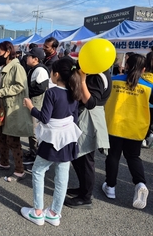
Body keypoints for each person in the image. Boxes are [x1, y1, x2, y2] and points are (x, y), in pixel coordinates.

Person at [21, 58, 82, 226]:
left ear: (56, 74)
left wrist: (30, 107)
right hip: (68, 138)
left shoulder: (52, 93)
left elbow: (45, 118)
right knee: (62, 177)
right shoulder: (75, 91)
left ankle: (38, 212)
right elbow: (75, 117)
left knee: (38, 170)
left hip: (52, 139)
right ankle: (54, 213)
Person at [103, 54, 153, 209]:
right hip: (136, 127)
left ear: (125, 65)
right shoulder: (149, 86)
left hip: (115, 125)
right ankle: (140, 183)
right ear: (144, 69)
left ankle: (110, 187)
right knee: (133, 157)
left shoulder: (114, 80)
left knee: (113, 156)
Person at [64, 67, 112, 209]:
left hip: (88, 118)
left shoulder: (98, 76)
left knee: (85, 158)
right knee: (78, 157)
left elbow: (90, 102)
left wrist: (83, 81)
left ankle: (86, 197)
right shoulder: (101, 73)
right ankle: (83, 189)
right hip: (85, 116)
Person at [0, 41, 33, 181]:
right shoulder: (5, 66)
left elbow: (20, 86)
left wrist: (1, 92)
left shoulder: (17, 67)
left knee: (13, 139)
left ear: (8, 52)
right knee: (1, 136)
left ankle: (20, 171)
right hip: (2, 107)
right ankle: (4, 163)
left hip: (13, 109)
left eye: (0, 51)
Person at [22, 47, 50, 167]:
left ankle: (36, 155)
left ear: (35, 59)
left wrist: (27, 93)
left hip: (37, 103)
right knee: (31, 128)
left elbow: (41, 88)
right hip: (33, 102)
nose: (27, 58)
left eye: (29, 56)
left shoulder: (40, 70)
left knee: (35, 130)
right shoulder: (33, 69)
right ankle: (32, 151)